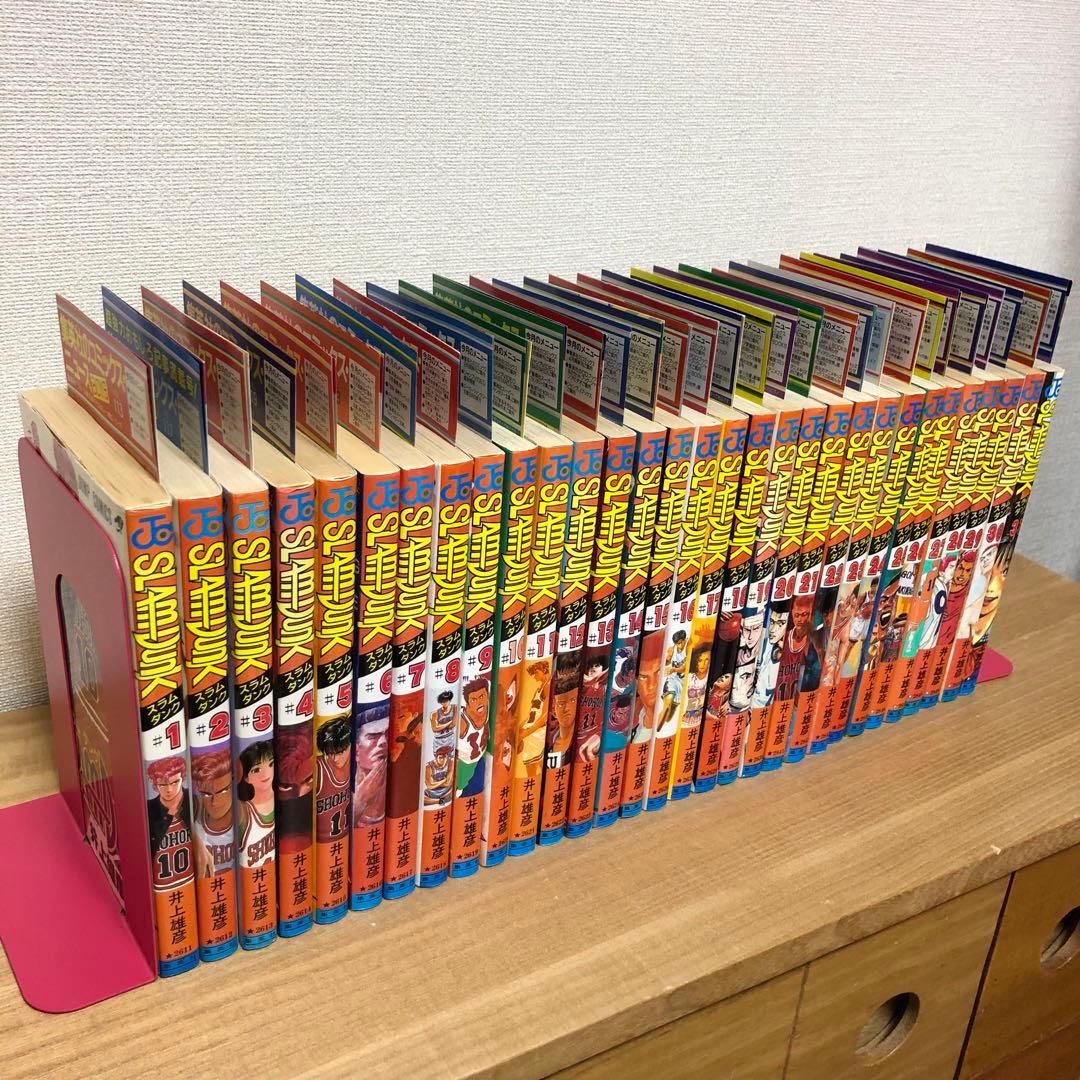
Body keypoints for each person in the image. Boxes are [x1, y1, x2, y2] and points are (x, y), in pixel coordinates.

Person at [146, 755, 194, 882]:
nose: (169, 789)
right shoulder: (148, 809)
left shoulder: (194, 800)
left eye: (175, 782)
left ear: (182, 778)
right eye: (162, 785)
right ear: (155, 785)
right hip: (161, 881)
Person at [190, 747, 234, 879]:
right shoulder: (194, 812)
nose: (215, 802)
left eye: (223, 791)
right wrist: (196, 842)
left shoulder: (246, 811)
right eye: (207, 794)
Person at [235, 740, 275, 869]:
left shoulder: (284, 797)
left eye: (271, 764)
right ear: (246, 777)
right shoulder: (243, 810)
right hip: (252, 876)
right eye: (256, 769)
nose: (266, 774)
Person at [315, 716, 351, 843]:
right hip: (320, 846)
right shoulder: (318, 768)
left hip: (348, 840)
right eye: (330, 753)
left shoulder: (358, 761)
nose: (335, 759)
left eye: (340, 752)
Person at [352, 708, 388, 828]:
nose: (383, 742)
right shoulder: (343, 793)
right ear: (356, 751)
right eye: (372, 737)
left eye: (387, 734)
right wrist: (360, 801)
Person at [456, 677, 489, 797]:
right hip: (464, 765)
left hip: (480, 758)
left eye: (482, 696)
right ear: (467, 704)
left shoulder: (487, 707)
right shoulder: (462, 722)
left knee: (478, 792)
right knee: (462, 795)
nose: (479, 702)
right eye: (474, 700)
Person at [657, 630, 688, 734]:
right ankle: (655, 731)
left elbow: (685, 668)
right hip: (672, 680)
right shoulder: (672, 649)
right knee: (667, 704)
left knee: (668, 718)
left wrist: (674, 669)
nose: (679, 646)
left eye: (680, 643)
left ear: (684, 640)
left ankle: (658, 725)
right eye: (677, 644)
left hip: (682, 683)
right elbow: (667, 661)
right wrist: (665, 660)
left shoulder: (688, 647)